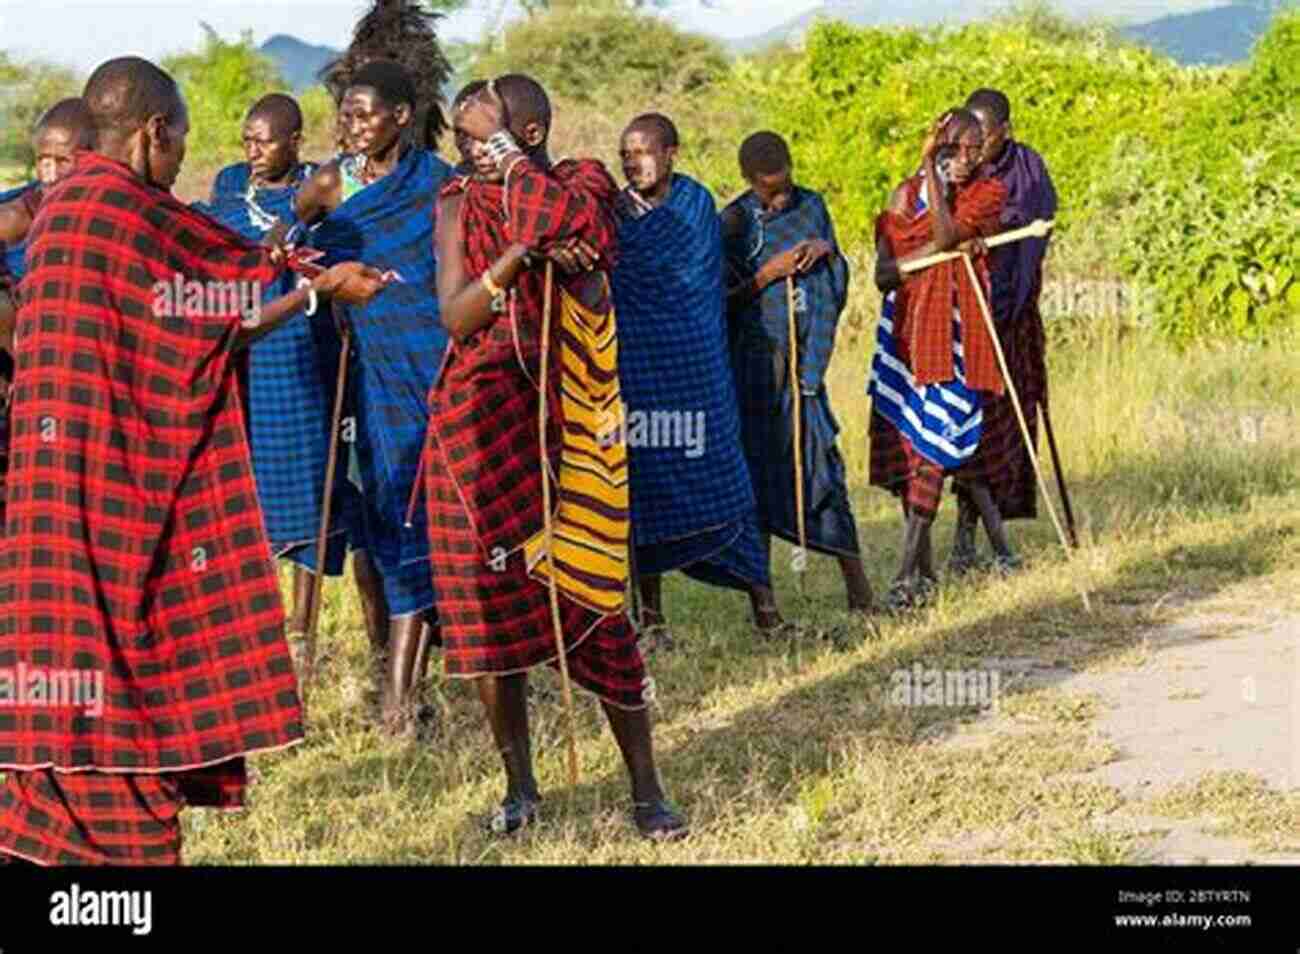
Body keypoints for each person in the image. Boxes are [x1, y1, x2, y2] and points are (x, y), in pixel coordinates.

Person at [0, 56, 385, 866]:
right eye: (178, 138)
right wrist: (317, 290)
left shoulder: (64, 213)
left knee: (55, 711)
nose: (181, 157)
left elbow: (206, 306)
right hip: (106, 517)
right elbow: (221, 313)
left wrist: (299, 281)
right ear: (152, 132)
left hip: (45, 522)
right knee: (123, 722)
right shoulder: (127, 215)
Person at [426, 75, 687, 840]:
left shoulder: (582, 180)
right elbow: (457, 314)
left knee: (597, 604)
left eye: (484, 134)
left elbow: (581, 229)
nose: (468, 149)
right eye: (464, 136)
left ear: (528, 135)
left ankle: (645, 789)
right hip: (476, 426)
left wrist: (524, 192)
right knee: (487, 620)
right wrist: (517, 252)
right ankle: (520, 787)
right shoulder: (452, 202)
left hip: (570, 423)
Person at [294, 59, 450, 734]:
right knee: (390, 515)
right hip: (369, 377)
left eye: (364, 115)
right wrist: (329, 284)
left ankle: (414, 690)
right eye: (344, 115)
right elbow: (286, 247)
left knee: (443, 518)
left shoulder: (440, 185)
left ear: (401, 117)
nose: (351, 127)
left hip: (441, 371)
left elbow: (459, 272)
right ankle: (396, 693)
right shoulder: (330, 181)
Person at [609, 113, 790, 649]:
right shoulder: (614, 215)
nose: (632, 162)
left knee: (728, 482)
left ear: (671, 153)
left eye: (642, 151)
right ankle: (653, 620)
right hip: (639, 371)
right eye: (625, 154)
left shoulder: (695, 206)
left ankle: (767, 609)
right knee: (644, 492)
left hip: (698, 371)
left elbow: (703, 289)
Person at [201, 93, 362, 676]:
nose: (252, 150)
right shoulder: (225, 188)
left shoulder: (322, 198)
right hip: (240, 360)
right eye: (247, 138)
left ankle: (302, 633)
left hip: (299, 361)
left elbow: (341, 272)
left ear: (294, 141)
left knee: (308, 490)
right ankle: (249, 628)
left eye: (264, 140)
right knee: (243, 495)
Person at [721, 130, 874, 613]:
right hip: (758, 372)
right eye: (770, 189)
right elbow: (717, 302)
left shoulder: (812, 206)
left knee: (823, 470)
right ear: (749, 181)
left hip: (806, 372)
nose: (782, 195)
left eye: (786, 181)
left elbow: (837, 275)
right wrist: (769, 274)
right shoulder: (733, 222)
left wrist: (825, 254)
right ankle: (764, 607)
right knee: (759, 481)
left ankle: (861, 595)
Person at [867, 108, 1008, 610]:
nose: (966, 158)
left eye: (974, 148)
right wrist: (914, 259)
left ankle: (904, 579)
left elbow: (947, 237)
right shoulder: (903, 196)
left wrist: (934, 175)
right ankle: (922, 572)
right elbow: (883, 274)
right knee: (909, 452)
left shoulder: (989, 193)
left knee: (941, 441)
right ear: (939, 144)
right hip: (907, 335)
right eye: (955, 148)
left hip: (959, 341)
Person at [945, 88, 1059, 574]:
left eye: (983, 138)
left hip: (1012, 317)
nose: (973, 148)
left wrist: (993, 239)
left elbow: (1036, 228)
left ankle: (986, 536)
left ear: (1004, 131)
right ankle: (965, 538)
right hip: (969, 319)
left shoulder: (1028, 169)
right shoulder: (957, 168)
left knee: (1008, 427)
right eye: (966, 139)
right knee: (967, 426)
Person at [0, 99, 97, 528]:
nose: (52, 173)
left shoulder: (105, 215)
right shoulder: (16, 217)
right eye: (43, 160)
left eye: (64, 161)